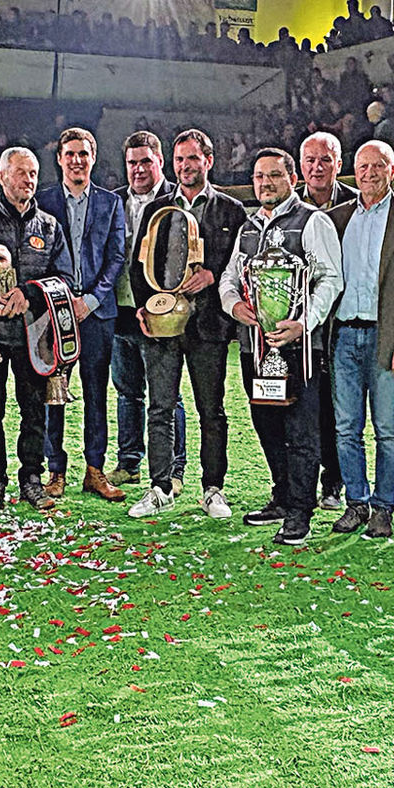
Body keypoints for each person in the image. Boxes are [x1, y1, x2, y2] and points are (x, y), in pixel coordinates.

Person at [220, 147, 344, 547]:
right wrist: (235, 305)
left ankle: (300, 512)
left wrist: (304, 324)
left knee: (302, 430)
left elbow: (330, 279)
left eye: (274, 175)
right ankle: (282, 494)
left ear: (292, 177)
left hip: (300, 348)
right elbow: (228, 279)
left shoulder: (313, 221)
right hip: (255, 348)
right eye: (259, 177)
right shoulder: (247, 228)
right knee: (267, 424)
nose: (265, 183)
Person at [125, 129, 243, 520]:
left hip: (208, 325)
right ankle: (160, 486)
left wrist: (211, 276)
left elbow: (239, 267)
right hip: (162, 325)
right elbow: (138, 266)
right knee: (159, 408)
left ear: (208, 160)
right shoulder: (155, 207)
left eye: (193, 158)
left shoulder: (230, 210)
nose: (185, 166)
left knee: (212, 410)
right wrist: (144, 306)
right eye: (178, 160)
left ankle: (213, 489)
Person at [327, 142, 394, 537]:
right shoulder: (336, 218)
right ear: (353, 171)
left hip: (386, 338)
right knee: (345, 427)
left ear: (392, 170)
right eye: (362, 166)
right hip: (343, 336)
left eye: (377, 166)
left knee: (388, 428)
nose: (369, 173)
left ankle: (383, 508)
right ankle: (356, 502)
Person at [0, 147, 73, 512]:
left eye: (33, 173)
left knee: (34, 411)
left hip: (35, 336)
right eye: (20, 173)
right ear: (1, 176)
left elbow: (65, 278)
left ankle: (31, 479)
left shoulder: (48, 226)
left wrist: (28, 295)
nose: (28, 180)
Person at [35, 128, 127, 501]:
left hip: (96, 314)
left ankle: (95, 470)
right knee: (52, 393)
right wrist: (57, 300)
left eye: (83, 154)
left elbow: (116, 258)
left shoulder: (110, 203)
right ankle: (54, 470)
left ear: (93, 158)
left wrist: (89, 300)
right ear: (59, 158)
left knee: (96, 393)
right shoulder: (42, 201)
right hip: (52, 314)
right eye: (70, 153)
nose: (77, 160)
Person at [107, 131, 185, 493]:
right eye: (132, 163)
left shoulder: (175, 201)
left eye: (145, 162)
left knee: (166, 397)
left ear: (160, 162)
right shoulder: (114, 202)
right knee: (126, 391)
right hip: (119, 311)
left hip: (158, 312)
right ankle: (129, 461)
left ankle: (176, 469)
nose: (138, 170)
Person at [295, 131, 359, 510]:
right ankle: (300, 479)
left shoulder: (356, 207)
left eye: (324, 160)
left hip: (343, 321)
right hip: (298, 325)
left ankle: (334, 482)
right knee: (307, 404)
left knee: (340, 407)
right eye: (310, 161)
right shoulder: (291, 207)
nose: (317, 167)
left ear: (338, 163)